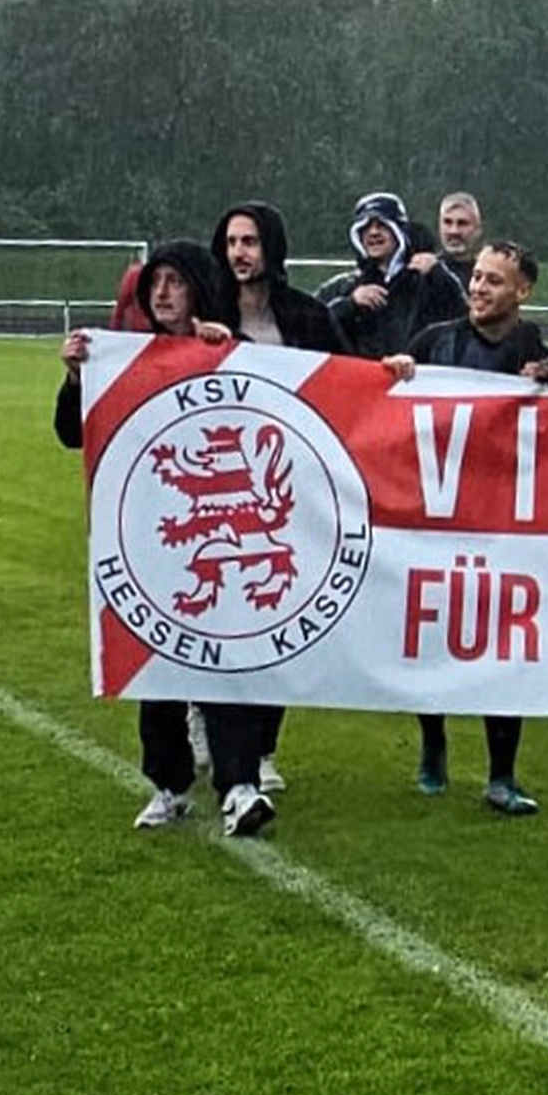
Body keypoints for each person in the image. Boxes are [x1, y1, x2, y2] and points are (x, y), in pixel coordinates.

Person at [55, 241, 275, 837]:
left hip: (225, 535)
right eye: (155, 282)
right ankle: (169, 784)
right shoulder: (123, 358)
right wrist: (77, 378)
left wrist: (227, 351)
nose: (162, 293)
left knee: (228, 664)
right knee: (157, 671)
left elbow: (274, 412)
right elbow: (71, 433)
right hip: (154, 542)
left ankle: (240, 785)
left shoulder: (233, 349)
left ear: (199, 287)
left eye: (175, 281)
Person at [383, 241, 548, 816]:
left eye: (494, 280)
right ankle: (433, 739)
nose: (479, 288)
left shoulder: (534, 351)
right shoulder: (435, 342)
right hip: (437, 519)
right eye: (478, 277)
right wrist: (398, 373)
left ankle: (501, 775)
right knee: (432, 637)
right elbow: (388, 407)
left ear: (523, 291)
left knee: (506, 644)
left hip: (506, 522)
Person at [209, 200, 346, 792]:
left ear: (272, 247)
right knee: (220, 617)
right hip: (221, 488)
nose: (240, 253)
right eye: (231, 242)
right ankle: (211, 725)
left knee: (276, 617)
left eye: (250, 241)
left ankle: (263, 748)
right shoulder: (206, 312)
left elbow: (350, 377)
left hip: (290, 489)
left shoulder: (306, 315)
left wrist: (391, 371)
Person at [318, 191, 466, 359]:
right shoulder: (342, 287)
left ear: (399, 232)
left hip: (417, 374)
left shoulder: (428, 281)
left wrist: (440, 276)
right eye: (365, 227)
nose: (373, 232)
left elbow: (466, 322)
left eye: (382, 225)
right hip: (358, 375)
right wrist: (350, 304)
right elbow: (310, 329)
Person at [408, 191, 483, 291]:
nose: (454, 231)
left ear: (477, 229)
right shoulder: (424, 271)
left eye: (462, 223)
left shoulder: (487, 272)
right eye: (447, 222)